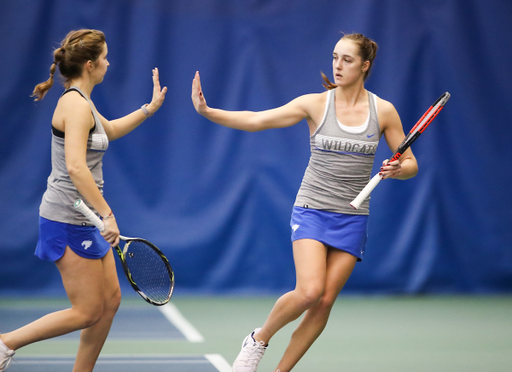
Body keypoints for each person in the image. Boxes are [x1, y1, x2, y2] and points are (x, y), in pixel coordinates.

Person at [191, 33, 418, 372]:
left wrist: (397, 169)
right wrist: (208, 112)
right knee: (310, 290)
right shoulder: (315, 104)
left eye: (347, 60)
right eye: (335, 57)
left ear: (365, 65)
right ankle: (258, 339)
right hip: (312, 209)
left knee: (323, 303)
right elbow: (257, 119)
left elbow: (411, 164)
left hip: (353, 217)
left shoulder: (383, 111)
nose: (338, 66)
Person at [0, 29, 167, 372]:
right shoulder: (75, 105)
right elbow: (76, 167)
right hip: (66, 216)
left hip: (82, 216)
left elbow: (112, 131)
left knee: (109, 302)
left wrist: (148, 109)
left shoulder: (83, 101)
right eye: (104, 57)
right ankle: (5, 343)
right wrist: (107, 214)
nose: (109, 62)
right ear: (90, 65)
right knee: (87, 311)